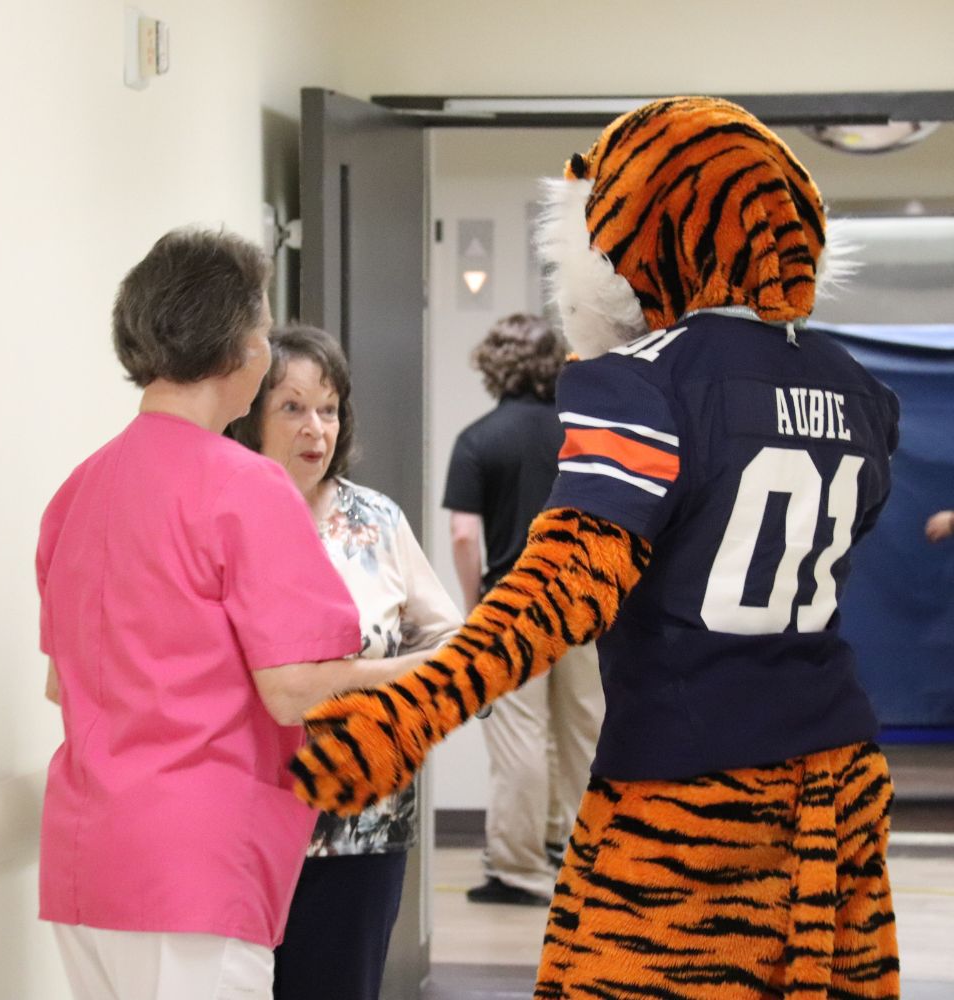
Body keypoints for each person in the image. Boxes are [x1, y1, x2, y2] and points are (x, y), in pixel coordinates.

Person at [290, 97, 903, 999]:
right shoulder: (857, 389)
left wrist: (411, 710)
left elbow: (563, 589)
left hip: (692, 787)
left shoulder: (642, 384)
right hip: (842, 780)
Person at [36, 229, 424, 1000]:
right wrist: (440, 666)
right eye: (261, 329)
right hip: (195, 868)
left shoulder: (79, 488)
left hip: (85, 862)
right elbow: (293, 687)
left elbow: (61, 686)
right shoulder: (245, 486)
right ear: (239, 350)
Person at [227, 325, 460, 1000]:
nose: (315, 429)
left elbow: (452, 644)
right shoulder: (226, 515)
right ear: (251, 416)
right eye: (293, 407)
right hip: (240, 820)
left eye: (328, 409)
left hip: (362, 824)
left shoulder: (376, 521)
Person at [443, 313, 604, 906]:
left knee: (520, 738)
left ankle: (519, 868)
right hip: (584, 599)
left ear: (494, 364)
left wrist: (472, 605)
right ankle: (589, 854)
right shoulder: (581, 435)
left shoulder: (479, 438)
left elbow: (464, 534)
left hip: (513, 605)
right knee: (585, 733)